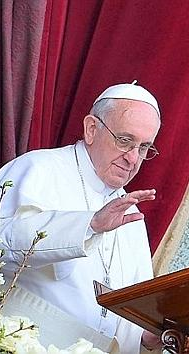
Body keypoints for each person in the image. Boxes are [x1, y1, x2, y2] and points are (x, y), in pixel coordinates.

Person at [0, 82, 162, 353]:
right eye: (125, 141)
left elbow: (129, 308)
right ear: (91, 129)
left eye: (144, 147)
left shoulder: (131, 213)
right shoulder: (38, 168)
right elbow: (5, 240)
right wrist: (89, 225)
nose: (133, 158)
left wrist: (147, 337)